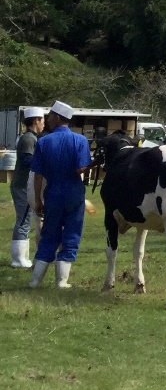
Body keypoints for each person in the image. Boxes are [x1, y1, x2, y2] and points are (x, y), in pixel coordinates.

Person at [27, 101, 92, 289]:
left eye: (49, 116)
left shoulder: (43, 141)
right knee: (71, 234)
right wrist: (92, 165)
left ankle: (35, 280)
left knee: (49, 234)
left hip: (52, 193)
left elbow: (37, 175)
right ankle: (61, 282)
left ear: (56, 118)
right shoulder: (80, 141)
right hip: (74, 192)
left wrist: (38, 199)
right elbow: (81, 168)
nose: (47, 120)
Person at [9, 106, 45, 269]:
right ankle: (18, 258)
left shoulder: (31, 138)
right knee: (23, 220)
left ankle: (23, 256)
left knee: (26, 218)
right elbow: (27, 160)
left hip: (24, 184)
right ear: (36, 120)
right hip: (22, 185)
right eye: (42, 120)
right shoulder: (29, 139)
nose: (44, 123)